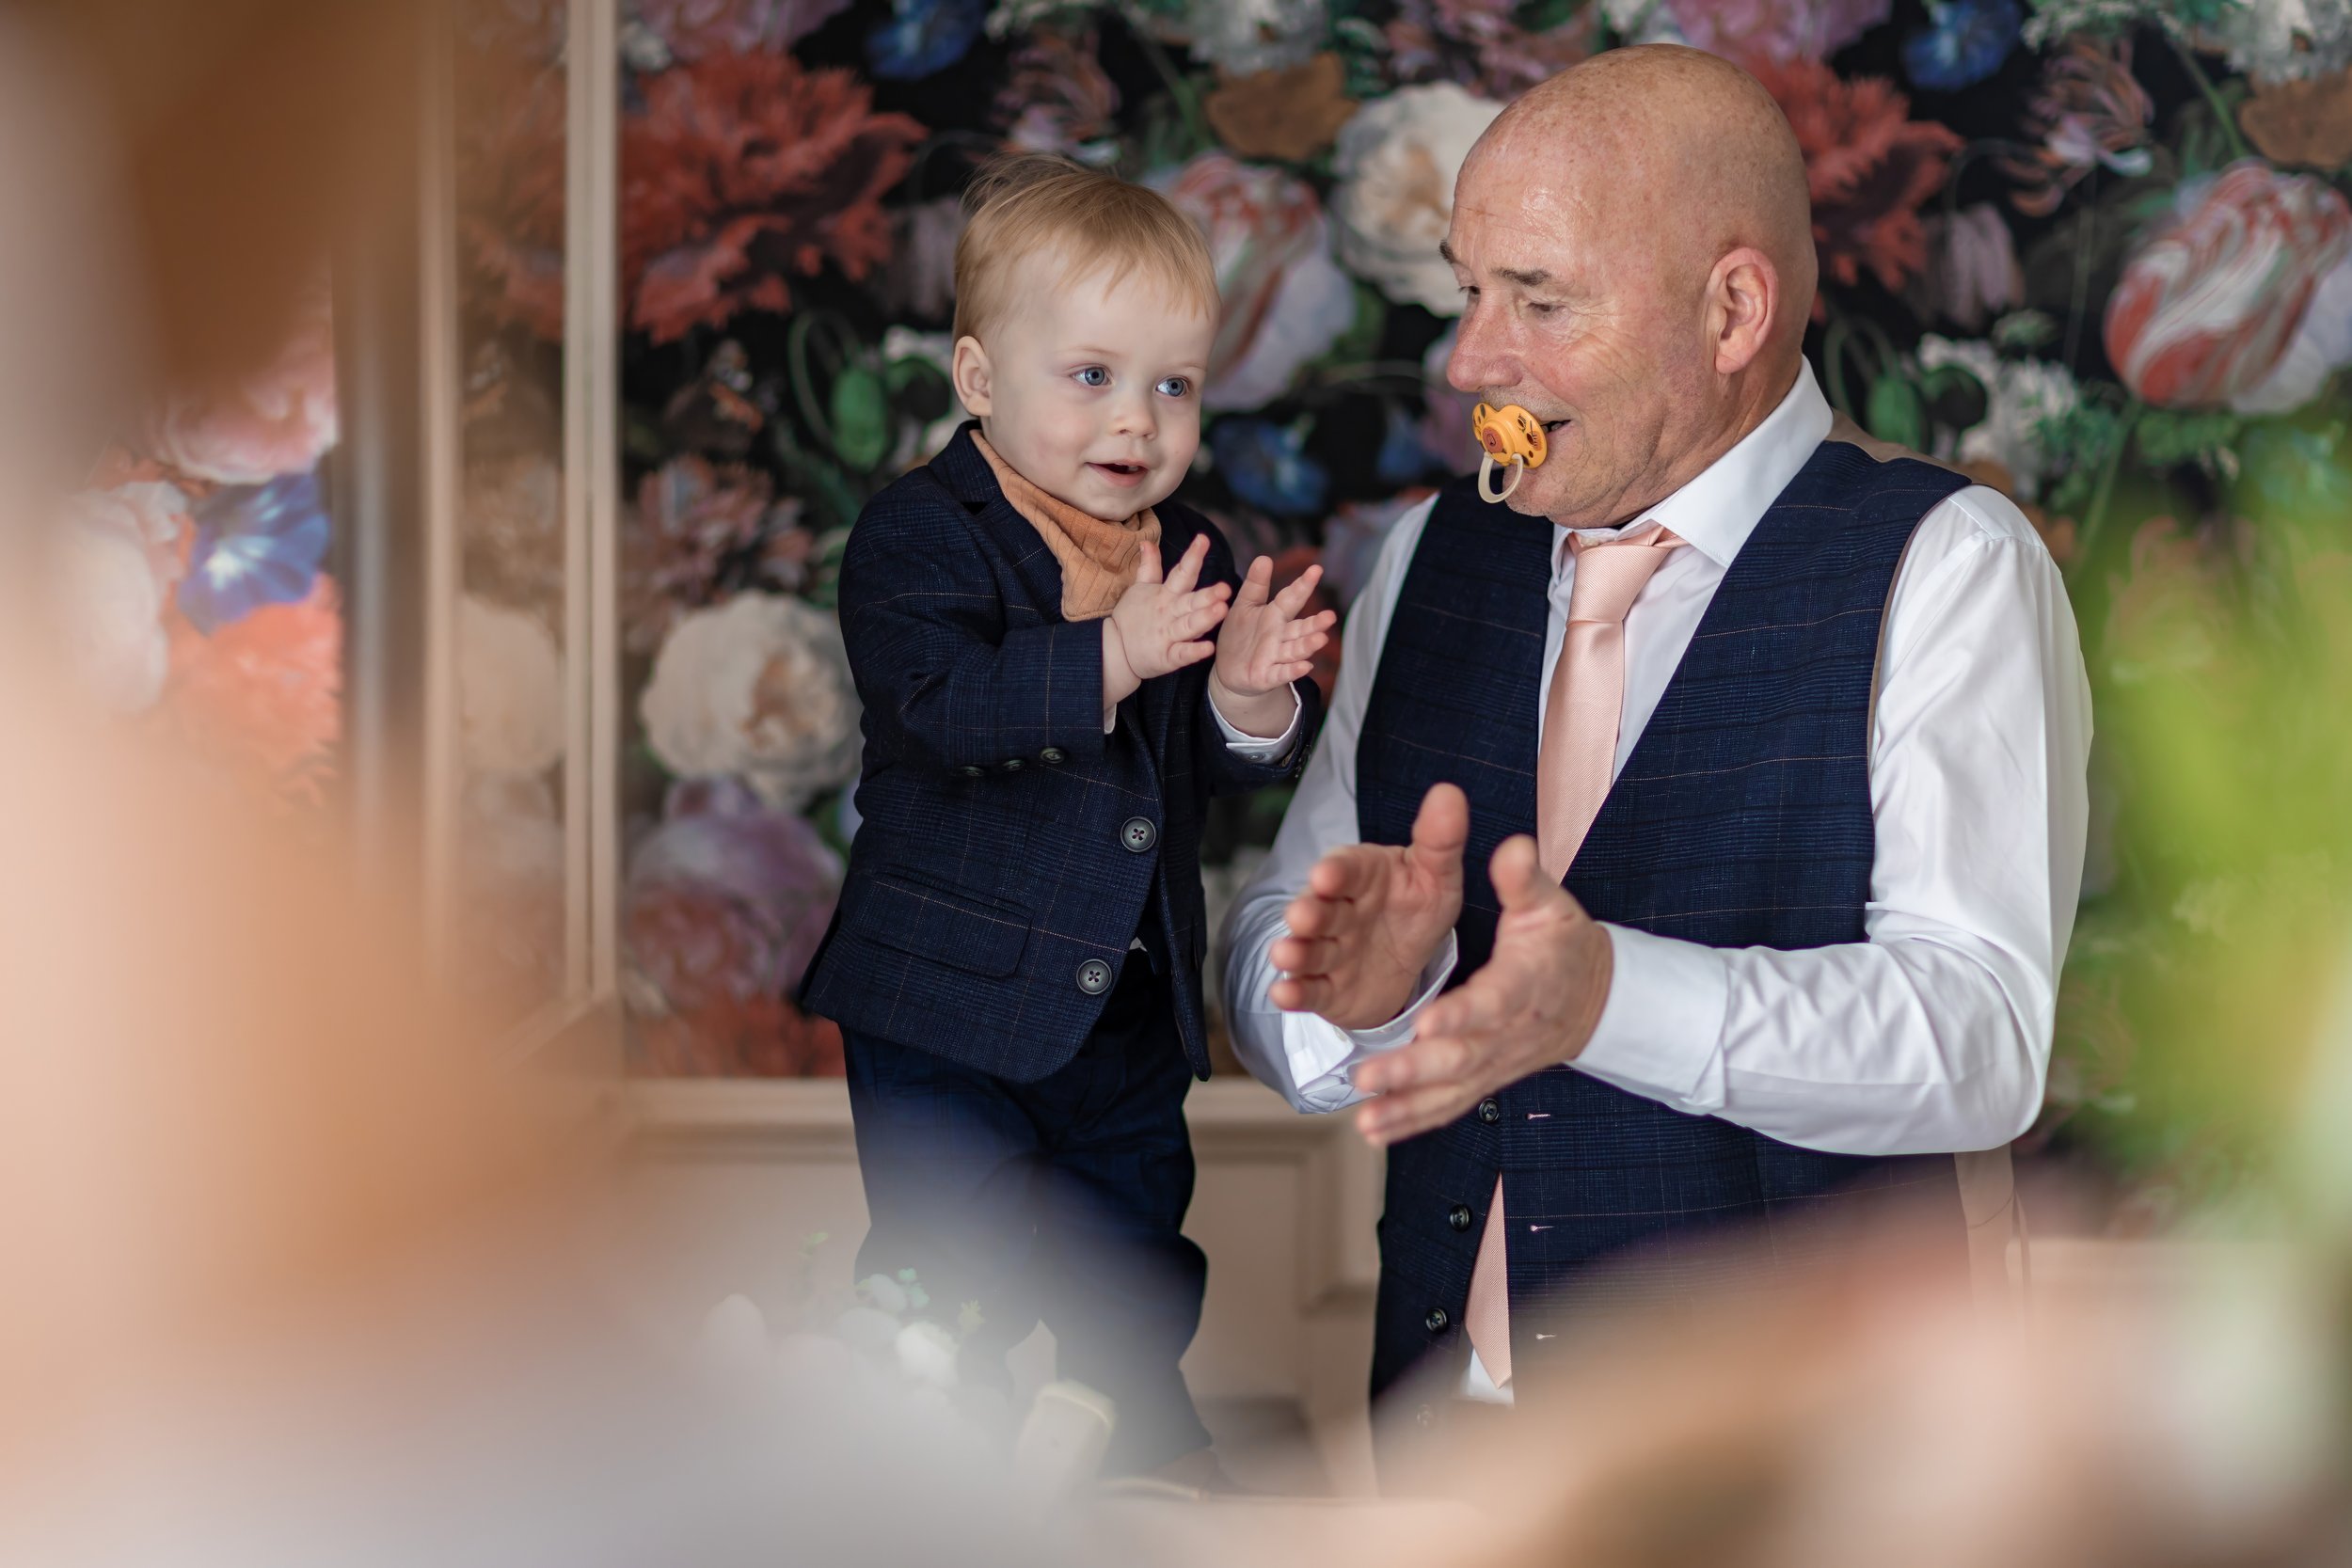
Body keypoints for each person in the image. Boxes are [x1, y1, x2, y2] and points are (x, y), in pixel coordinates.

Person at [1218, 44, 2090, 1455]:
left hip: (1821, 1465)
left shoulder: (1948, 563)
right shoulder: (1430, 558)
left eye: (1539, 300)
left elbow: (1979, 1035)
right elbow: (1269, 941)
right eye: (1467, 292)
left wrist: (1604, 998)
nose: (1468, 362)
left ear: (1733, 309)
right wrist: (1356, 999)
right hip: (1450, 1441)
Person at [801, 154, 1333, 1481]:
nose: (1137, 423)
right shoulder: (921, 536)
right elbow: (941, 711)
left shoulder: (1185, 538)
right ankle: (935, 1450)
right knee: (948, 1251)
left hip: (1119, 1001)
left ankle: (1130, 1422)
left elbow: (1203, 768)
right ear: (981, 381)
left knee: (1136, 1237)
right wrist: (1112, 656)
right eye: (1090, 376)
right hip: (944, 1007)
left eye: (1173, 385)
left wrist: (1250, 698)